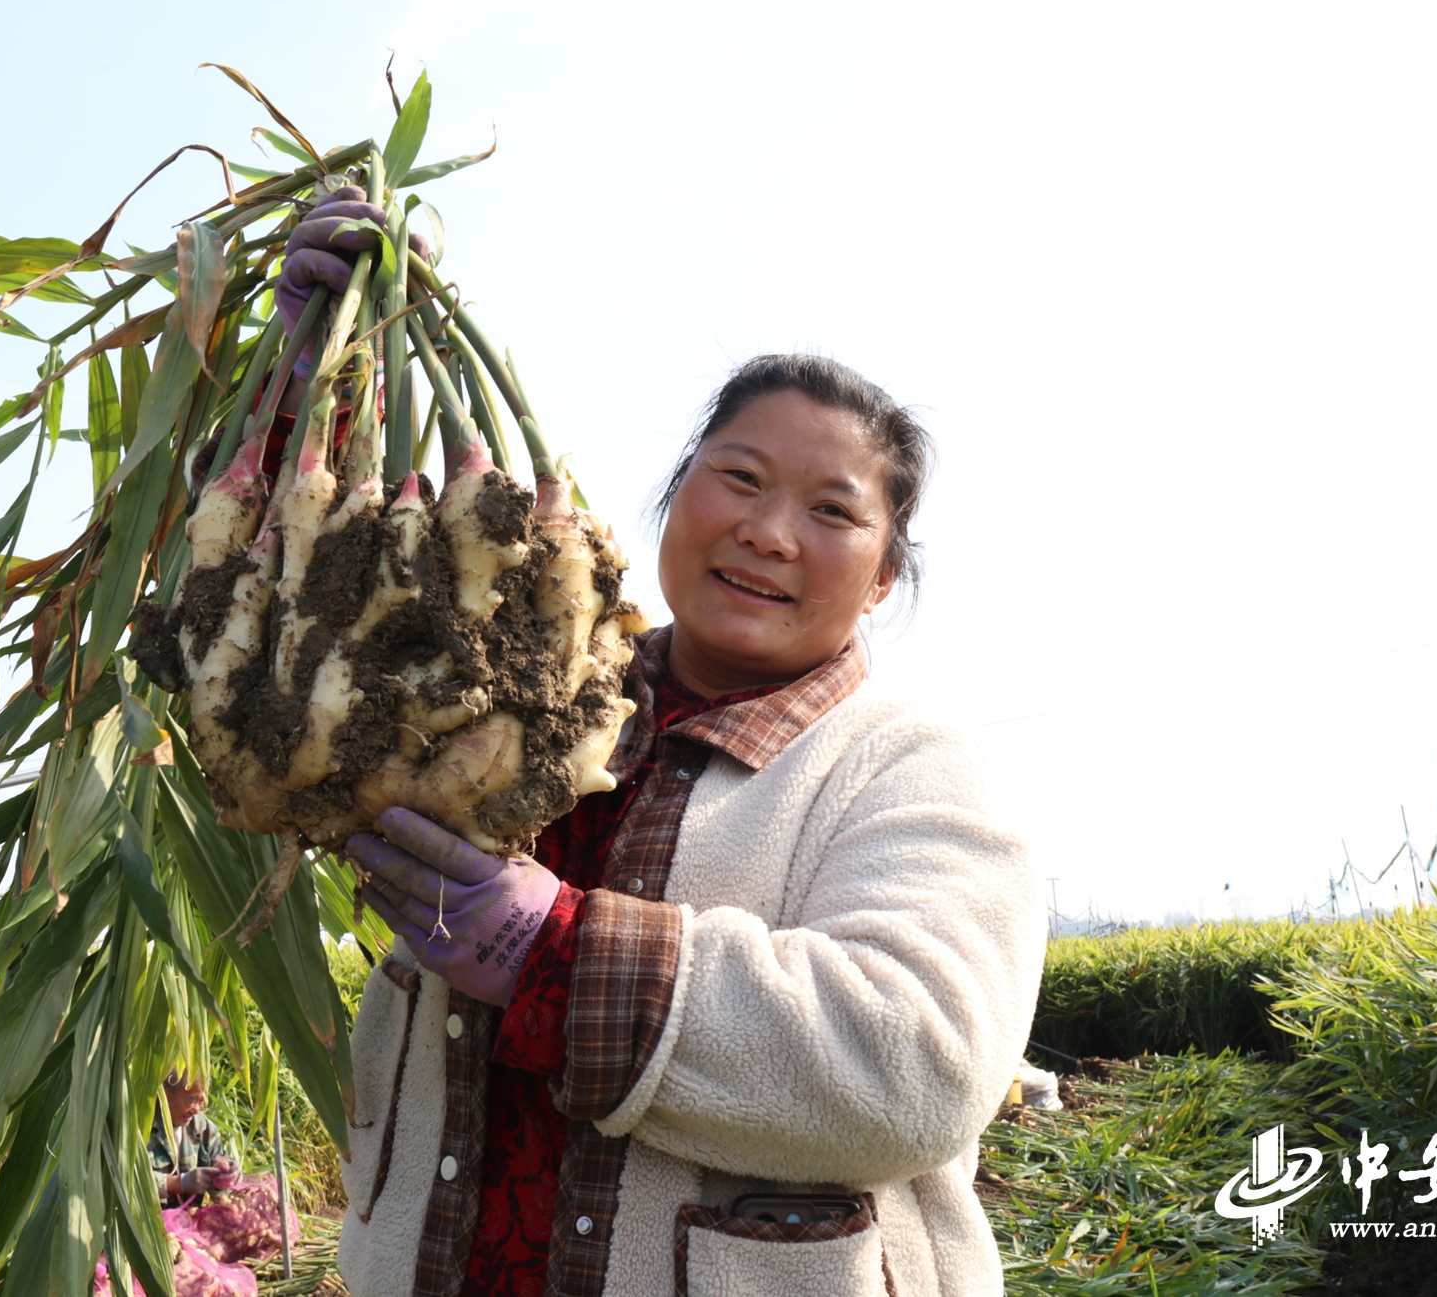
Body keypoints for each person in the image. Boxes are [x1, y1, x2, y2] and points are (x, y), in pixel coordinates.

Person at [279, 211, 1043, 1297]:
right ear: (678, 489)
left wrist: (551, 952)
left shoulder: (907, 763)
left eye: (831, 511)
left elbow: (918, 1063)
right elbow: (298, 665)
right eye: (737, 477)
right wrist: (320, 383)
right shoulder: (524, 689)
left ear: (881, 580)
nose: (769, 532)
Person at [149, 1070, 239, 1207]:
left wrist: (227, 1172)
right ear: (165, 1091)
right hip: (146, 1223)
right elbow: (127, 1182)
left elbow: (219, 1160)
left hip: (187, 1223)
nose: (197, 1110)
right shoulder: (139, 1127)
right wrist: (180, 1183)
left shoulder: (203, 1128)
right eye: (191, 1100)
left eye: (201, 1101)